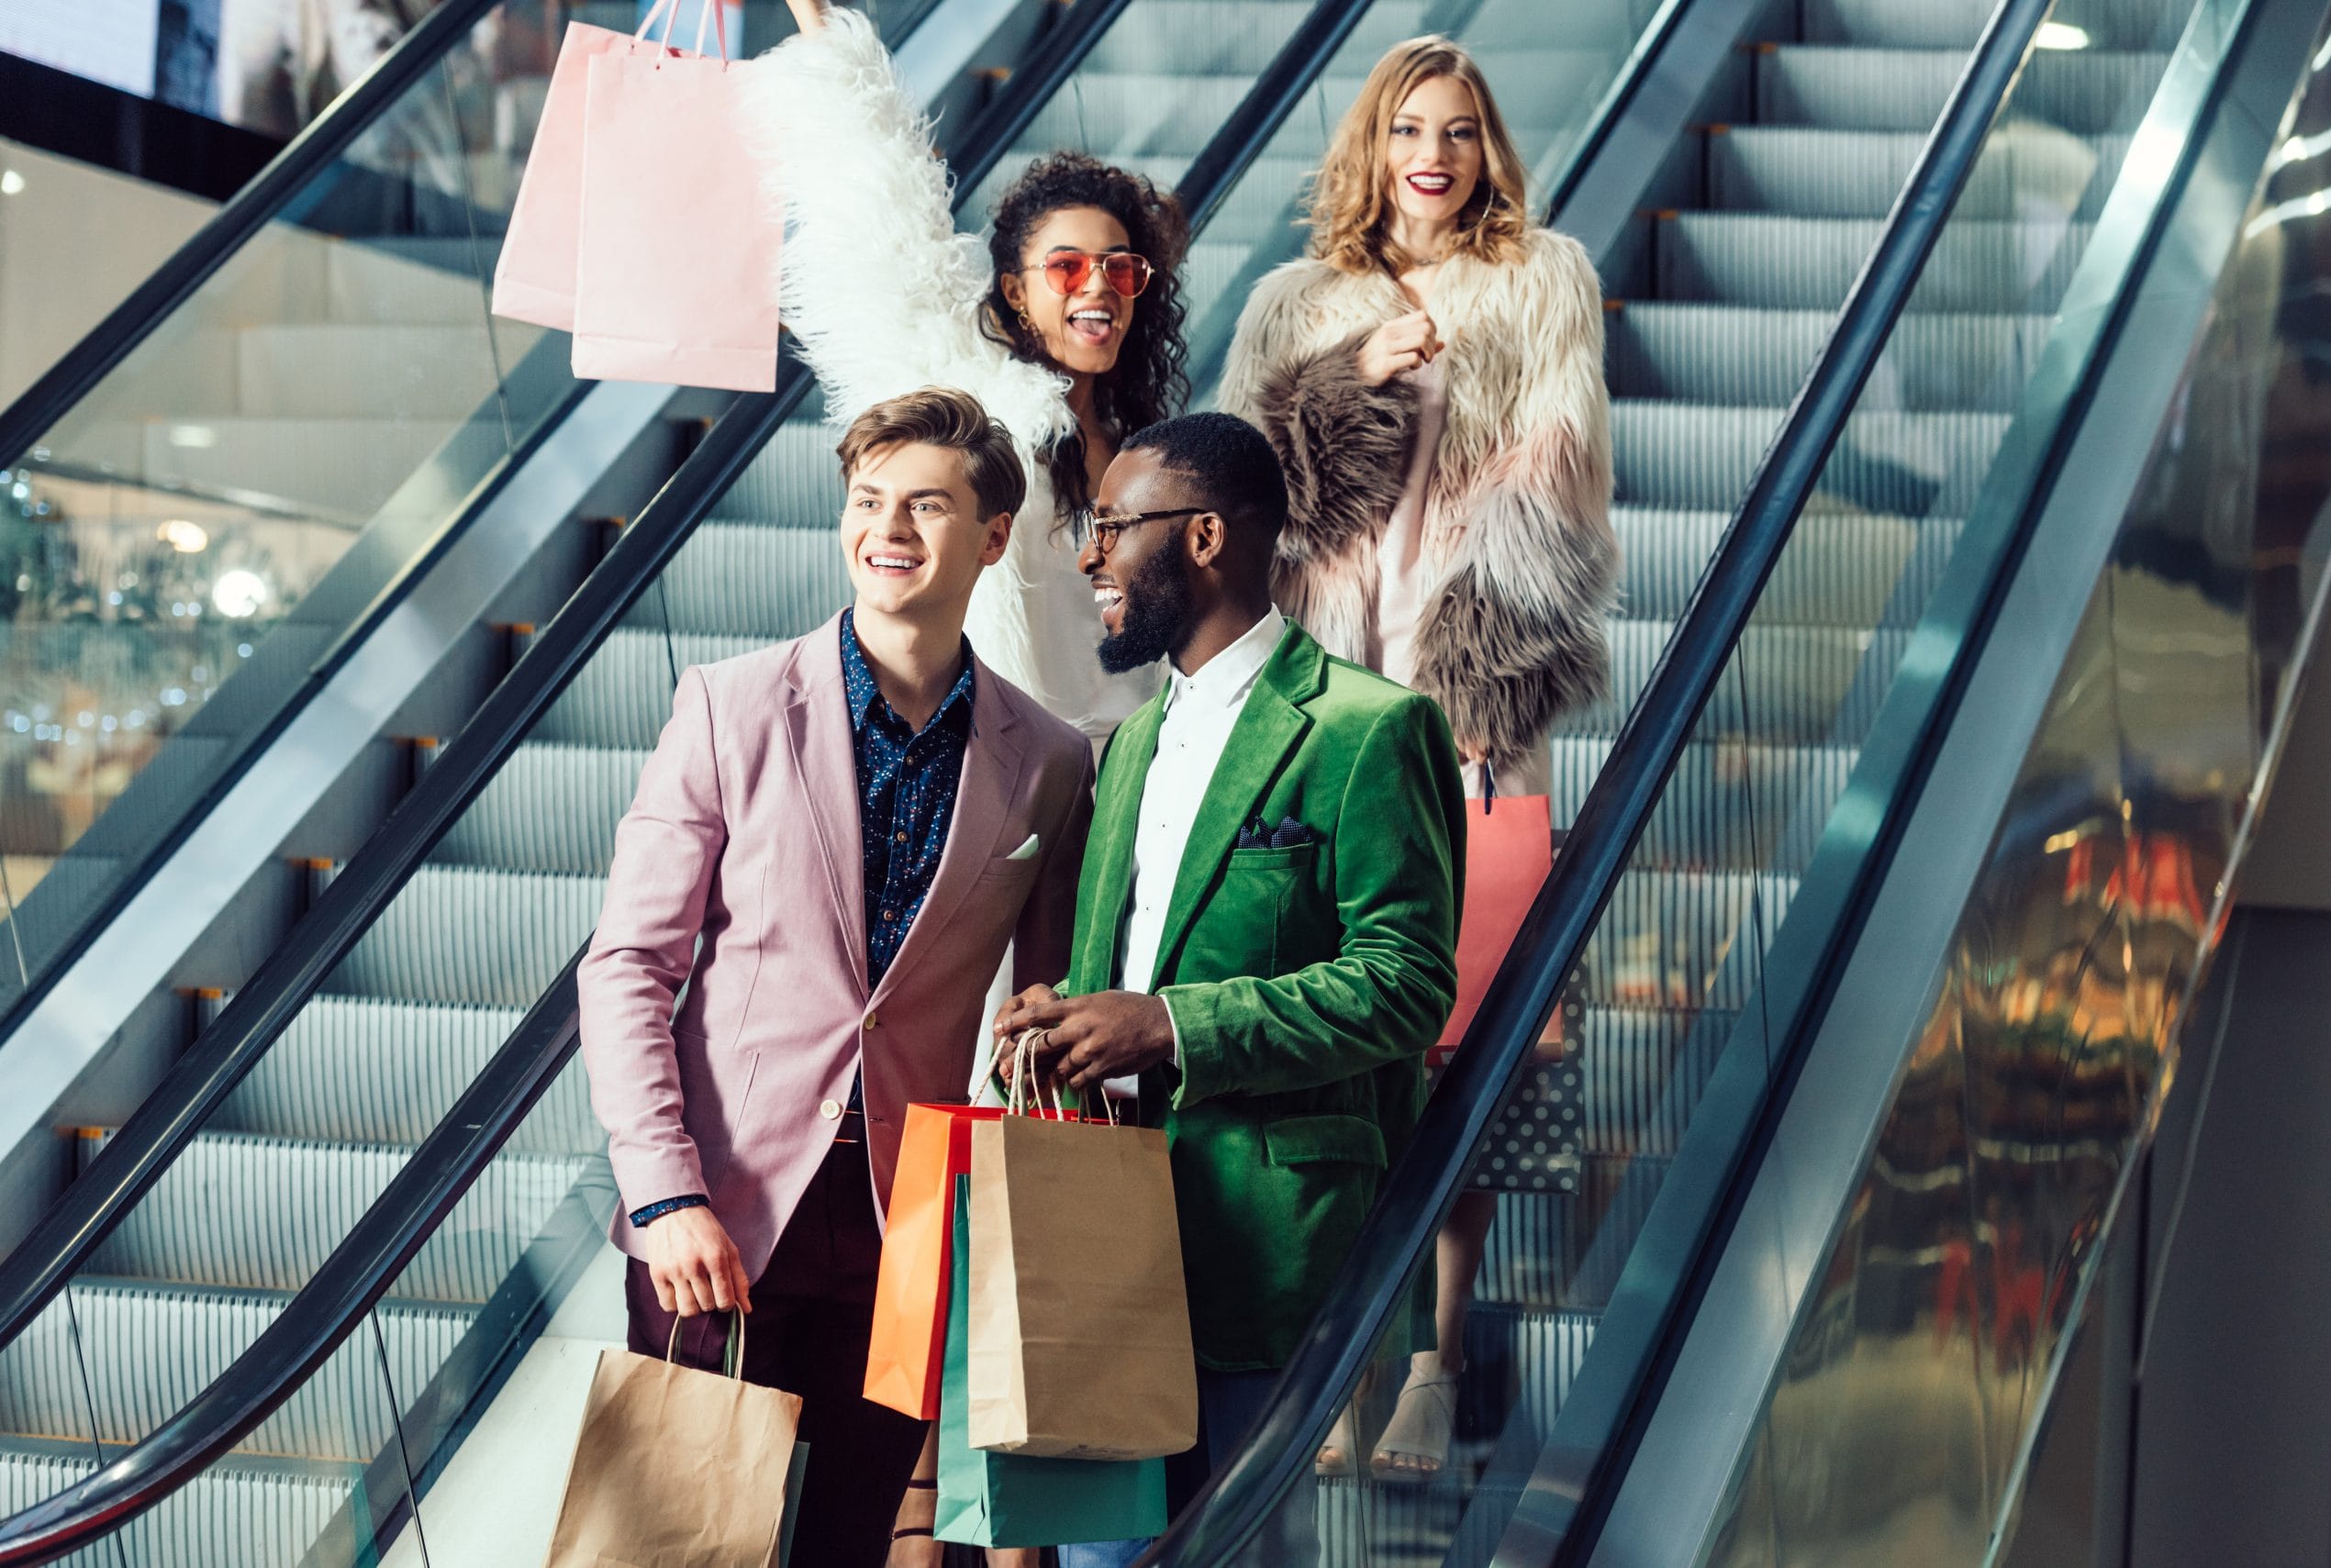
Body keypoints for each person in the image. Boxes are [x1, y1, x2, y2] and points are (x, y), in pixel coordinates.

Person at [576, 387, 1094, 1567]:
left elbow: (1037, 1015)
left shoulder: (1051, 760)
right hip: (718, 1223)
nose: (888, 528)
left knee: (846, 1545)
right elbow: (626, 968)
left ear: (994, 533)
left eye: (924, 503)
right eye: (867, 501)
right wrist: (662, 1193)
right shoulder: (729, 705)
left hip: (906, 1231)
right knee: (677, 1547)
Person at [1218, 34, 1618, 1481]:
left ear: (1487, 146)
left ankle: (1438, 1363)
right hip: (1325, 707)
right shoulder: (1295, 302)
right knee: (1334, 1041)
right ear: (1370, 149)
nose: (1433, 157)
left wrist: (1483, 673)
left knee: (1461, 1049)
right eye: (1406, 131)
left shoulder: (1541, 279)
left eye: (1457, 131)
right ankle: (1341, 1358)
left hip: (1468, 714)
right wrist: (1349, 379)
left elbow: (1563, 474)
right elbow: (1244, 491)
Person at [993, 412, 1467, 1567]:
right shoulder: (1131, 741)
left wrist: (1167, 1024)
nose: (1090, 554)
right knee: (1106, 1557)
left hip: (1270, 1247)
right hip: (1108, 1243)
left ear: (1204, 536)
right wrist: (1064, 1016)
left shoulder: (1368, 728)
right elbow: (1129, 969)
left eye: (1112, 525)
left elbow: (1404, 984)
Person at [744, 0, 1192, 749]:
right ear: (1016, 291)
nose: (1098, 286)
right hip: (1011, 776)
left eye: (1119, 268)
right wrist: (821, 22)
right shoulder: (984, 409)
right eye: (1067, 267)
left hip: (1136, 777)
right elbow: (890, 216)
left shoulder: (1145, 446)